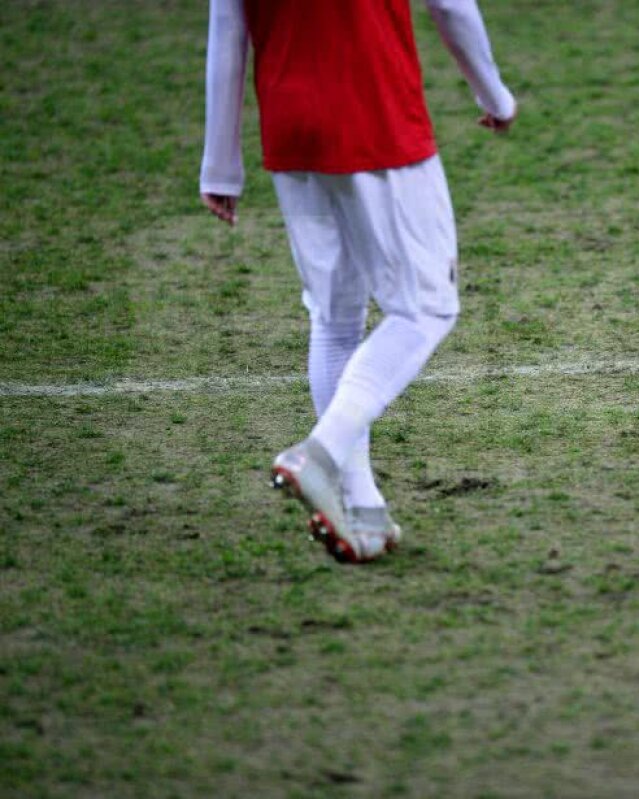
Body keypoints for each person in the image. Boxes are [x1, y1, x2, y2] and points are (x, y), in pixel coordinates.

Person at [200, 0, 516, 563]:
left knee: (334, 315)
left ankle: (360, 509)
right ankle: (319, 453)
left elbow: (228, 29)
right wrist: (493, 93)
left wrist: (220, 164)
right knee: (427, 310)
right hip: (378, 119)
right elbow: (450, 6)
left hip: (291, 127)